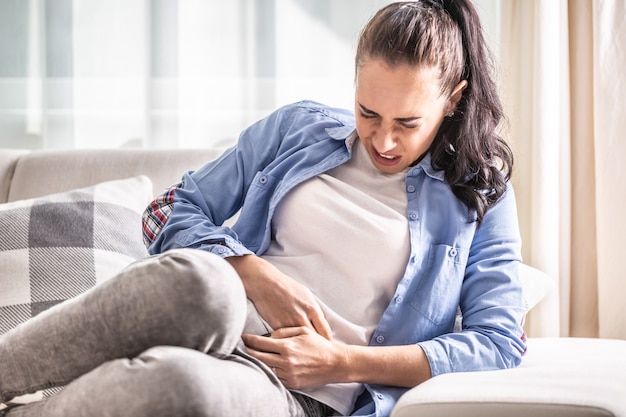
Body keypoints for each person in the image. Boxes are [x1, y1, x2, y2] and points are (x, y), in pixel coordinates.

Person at [0, 1, 526, 416]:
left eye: (407, 123)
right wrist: (252, 274)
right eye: (369, 112)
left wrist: (341, 362)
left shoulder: (479, 194)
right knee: (206, 285)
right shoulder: (298, 128)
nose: (382, 140)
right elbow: (168, 209)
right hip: (216, 322)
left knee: (181, 384)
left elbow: (499, 343)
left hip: (299, 394)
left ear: (452, 100)